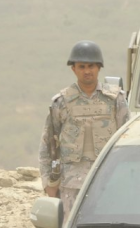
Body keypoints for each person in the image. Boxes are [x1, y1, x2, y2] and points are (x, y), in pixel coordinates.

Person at [39, 41, 130, 224]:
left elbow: (127, 140)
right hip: (71, 184)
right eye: (82, 66)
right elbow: (48, 147)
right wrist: (49, 184)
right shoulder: (62, 102)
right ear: (74, 69)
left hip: (108, 180)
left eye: (91, 66)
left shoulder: (115, 100)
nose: (87, 71)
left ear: (99, 68)